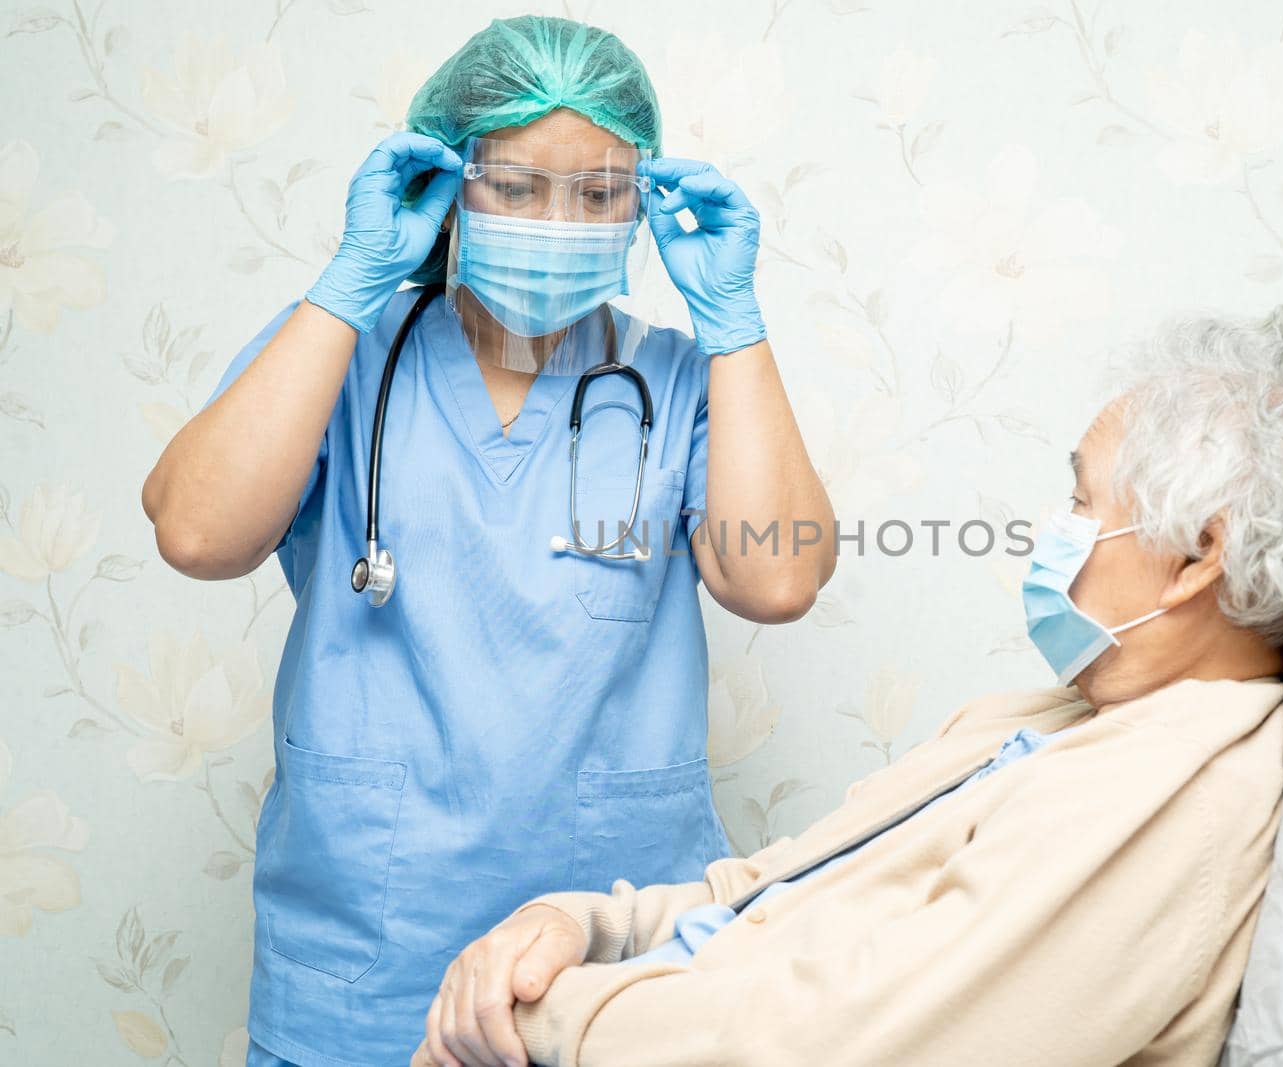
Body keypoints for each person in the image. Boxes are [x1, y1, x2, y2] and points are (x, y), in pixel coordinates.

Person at [411, 308, 1283, 1067]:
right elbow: (769, 893)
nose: (1050, 530)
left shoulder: (1177, 793)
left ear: (1196, 557)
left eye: (1082, 499)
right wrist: (584, 924)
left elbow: (846, 1045)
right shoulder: (1053, 723)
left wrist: (543, 1017)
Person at [139, 16, 834, 1067]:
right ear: (447, 183)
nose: (559, 221)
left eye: (598, 194)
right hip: (367, 962)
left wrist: (734, 319)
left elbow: (777, 578)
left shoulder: (682, 381)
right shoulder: (342, 359)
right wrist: (348, 281)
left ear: (640, 202)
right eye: (514, 188)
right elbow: (195, 532)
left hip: (611, 966)